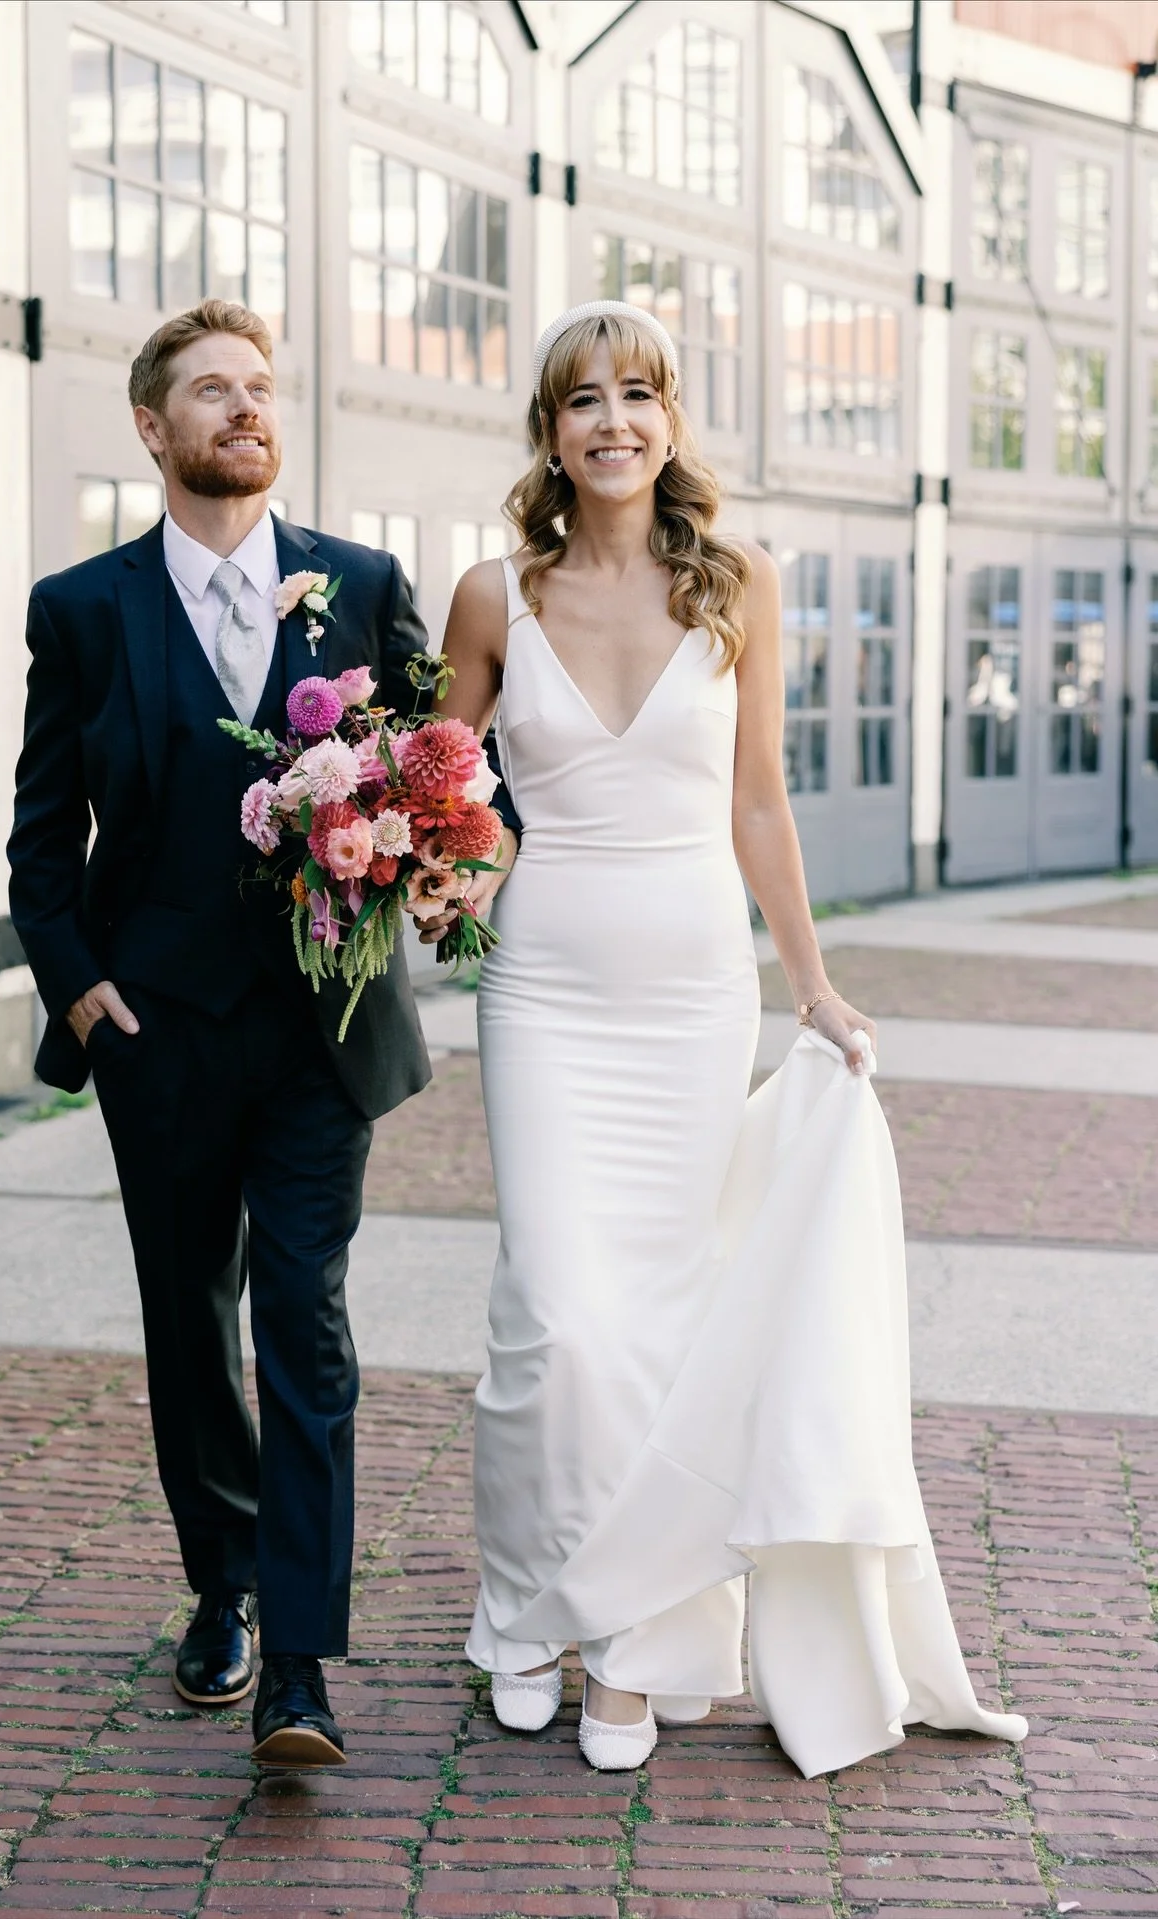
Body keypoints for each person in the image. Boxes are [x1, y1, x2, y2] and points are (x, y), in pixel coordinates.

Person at [432, 300, 1029, 1777]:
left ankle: (640, 1644)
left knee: (660, 1325)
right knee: (555, 1318)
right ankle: (526, 1611)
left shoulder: (738, 583)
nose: (613, 421)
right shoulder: (493, 597)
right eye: (584, 399)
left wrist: (811, 985)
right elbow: (454, 796)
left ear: (671, 421)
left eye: (639, 394)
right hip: (546, 989)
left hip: (695, 992)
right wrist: (431, 872)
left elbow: (760, 800)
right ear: (551, 432)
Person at [7, 299, 434, 1769]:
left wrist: (440, 859)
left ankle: (298, 1665)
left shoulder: (361, 585)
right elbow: (43, 831)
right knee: (190, 1318)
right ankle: (226, 1579)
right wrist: (77, 984)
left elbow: (443, 778)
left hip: (322, 1037)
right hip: (161, 1032)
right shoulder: (82, 609)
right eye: (210, 389)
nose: (246, 407)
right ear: (152, 426)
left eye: (260, 385)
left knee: (302, 1320)